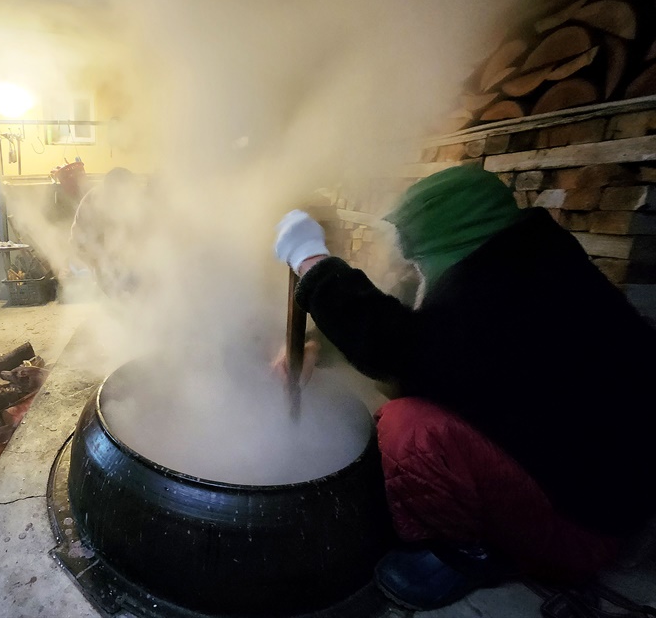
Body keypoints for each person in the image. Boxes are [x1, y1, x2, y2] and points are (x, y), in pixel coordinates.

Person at [272, 164, 656, 611]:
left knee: (409, 427)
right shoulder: (529, 264)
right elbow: (421, 326)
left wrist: (313, 265)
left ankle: (470, 552)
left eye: (413, 246)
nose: (408, 259)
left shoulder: (506, 297)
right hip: (595, 486)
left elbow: (399, 352)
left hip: (581, 529)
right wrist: (320, 347)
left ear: (449, 230)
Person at [69, 167, 145, 295]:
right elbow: (78, 241)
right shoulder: (91, 202)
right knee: (115, 302)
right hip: (105, 269)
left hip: (134, 269)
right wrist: (95, 262)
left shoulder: (137, 202)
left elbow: (147, 236)